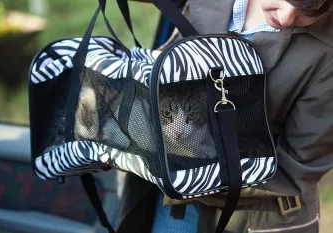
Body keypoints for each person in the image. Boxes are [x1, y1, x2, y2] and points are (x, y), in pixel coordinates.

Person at [114, 0, 333, 232]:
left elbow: (298, 167)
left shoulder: (327, 53)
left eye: (312, 9)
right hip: (165, 204)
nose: (287, 16)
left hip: (251, 216)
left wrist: (181, 168)